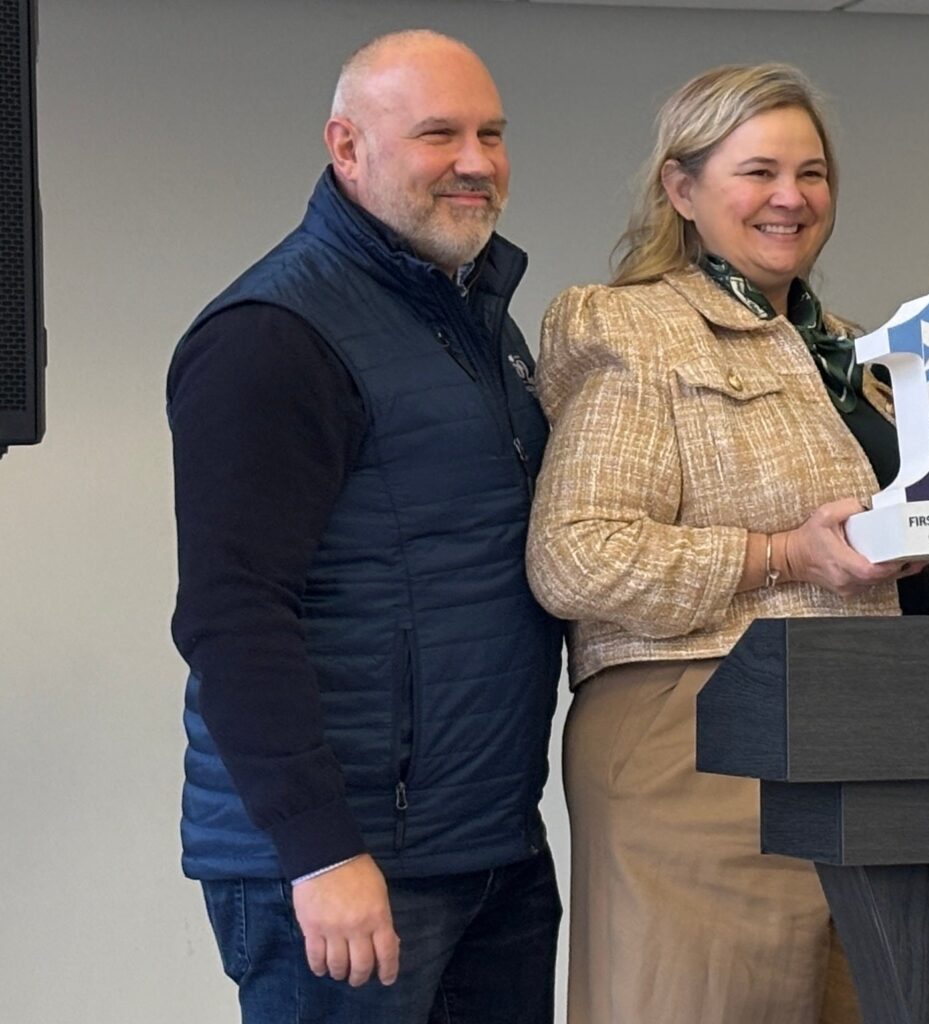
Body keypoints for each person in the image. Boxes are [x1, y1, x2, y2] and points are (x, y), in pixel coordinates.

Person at [167, 29, 564, 1023]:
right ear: (346, 146)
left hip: (490, 850)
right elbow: (232, 615)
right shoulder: (274, 335)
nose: (476, 161)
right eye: (439, 135)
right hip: (350, 867)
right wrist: (320, 851)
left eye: (491, 134)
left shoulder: (479, 322)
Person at [526, 63, 913, 1024]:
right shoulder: (634, 327)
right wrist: (780, 554)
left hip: (861, 747)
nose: (792, 197)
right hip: (696, 748)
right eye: (759, 172)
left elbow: (873, 558)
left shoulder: (857, 354)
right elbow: (575, 555)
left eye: (812, 173)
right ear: (683, 188)